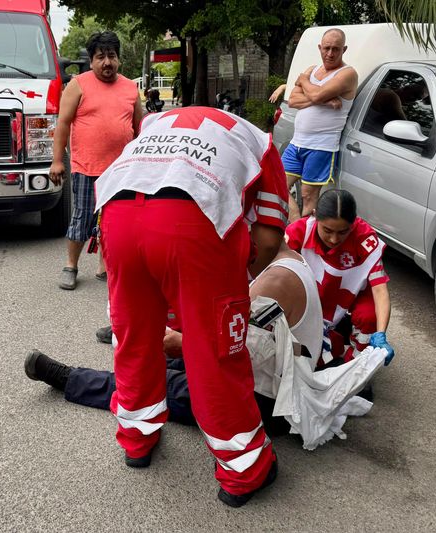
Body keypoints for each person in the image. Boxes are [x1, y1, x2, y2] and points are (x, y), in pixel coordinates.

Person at [91, 106, 289, 507]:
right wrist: (236, 281)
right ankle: (245, 470)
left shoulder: (154, 124)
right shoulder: (263, 145)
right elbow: (269, 241)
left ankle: (137, 440)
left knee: (134, 337)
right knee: (215, 350)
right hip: (192, 223)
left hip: (116, 216)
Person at [25, 243, 387, 450]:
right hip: (265, 375)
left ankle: (68, 378)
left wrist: (175, 341)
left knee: (151, 385)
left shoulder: (273, 282)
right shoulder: (286, 257)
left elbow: (226, 351)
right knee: (152, 370)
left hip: (262, 401)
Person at [50, 31, 143, 291]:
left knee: (116, 221)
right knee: (82, 219)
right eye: (100, 57)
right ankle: (71, 265)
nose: (107, 63)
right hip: (87, 167)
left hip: (121, 171)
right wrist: (58, 161)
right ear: (91, 61)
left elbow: (139, 127)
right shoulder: (78, 85)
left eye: (111, 56)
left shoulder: (130, 88)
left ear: (119, 60)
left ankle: (106, 266)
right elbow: (63, 124)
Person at [285, 189, 395, 369]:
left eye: (343, 232)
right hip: (313, 295)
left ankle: (357, 367)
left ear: (353, 224)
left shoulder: (366, 239)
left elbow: (380, 290)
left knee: (369, 316)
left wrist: (381, 333)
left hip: (352, 294)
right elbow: (273, 271)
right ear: (315, 216)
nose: (334, 239)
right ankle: (337, 332)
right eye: (327, 230)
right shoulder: (299, 231)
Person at [282, 28, 358, 221]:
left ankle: (304, 241)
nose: (330, 53)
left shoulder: (347, 74)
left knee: (309, 196)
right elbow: (292, 101)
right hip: (297, 143)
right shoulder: (313, 69)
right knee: (278, 184)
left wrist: (305, 82)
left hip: (321, 146)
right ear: (320, 48)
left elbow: (312, 94)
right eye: (326, 48)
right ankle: (296, 221)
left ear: (344, 49)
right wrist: (325, 99)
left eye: (336, 49)